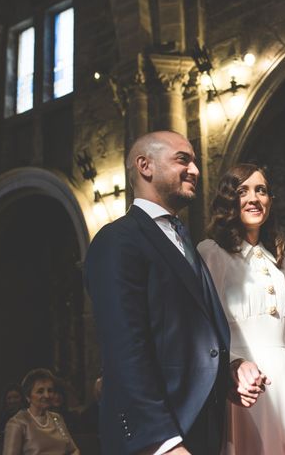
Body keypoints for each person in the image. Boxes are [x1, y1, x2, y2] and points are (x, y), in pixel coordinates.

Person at [84, 131, 232, 455]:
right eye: (183, 159)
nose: (195, 169)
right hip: (158, 437)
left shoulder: (183, 239)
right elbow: (125, 348)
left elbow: (194, 332)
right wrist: (162, 442)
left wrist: (231, 371)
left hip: (203, 428)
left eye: (194, 160)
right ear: (145, 166)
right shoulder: (118, 240)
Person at [198, 163, 285, 454]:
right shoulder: (211, 253)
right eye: (243, 191)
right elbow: (204, 332)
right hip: (242, 390)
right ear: (230, 200)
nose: (254, 198)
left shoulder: (281, 263)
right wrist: (233, 367)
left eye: (261, 191)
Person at [2, 368, 80, 455]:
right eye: (40, 391)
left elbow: (74, 450)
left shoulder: (56, 418)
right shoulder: (17, 423)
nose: (46, 395)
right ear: (28, 397)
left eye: (50, 390)